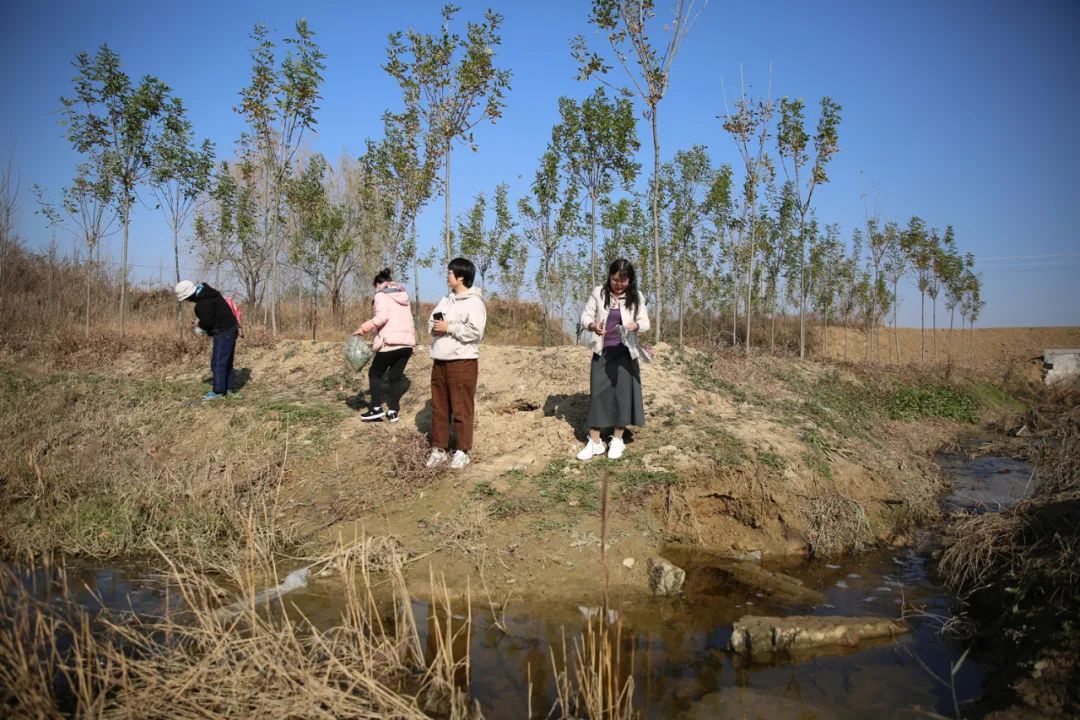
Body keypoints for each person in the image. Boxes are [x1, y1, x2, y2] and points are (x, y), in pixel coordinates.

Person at [576, 258, 651, 461]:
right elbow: (585, 316)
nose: (618, 284)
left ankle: (618, 439)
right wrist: (593, 326)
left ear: (630, 280)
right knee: (597, 395)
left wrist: (635, 326)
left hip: (626, 353)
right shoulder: (599, 293)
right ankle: (595, 442)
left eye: (623, 280)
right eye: (615, 279)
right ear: (609, 276)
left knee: (623, 396)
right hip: (603, 352)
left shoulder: (637, 297)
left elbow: (645, 322)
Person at [426, 257, 487, 470]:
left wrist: (449, 328)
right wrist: (434, 327)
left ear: (461, 277)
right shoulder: (445, 300)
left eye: (450, 273)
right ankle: (439, 449)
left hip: (462, 362)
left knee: (462, 408)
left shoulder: (474, 303)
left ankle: (462, 451)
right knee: (439, 407)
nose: (447, 276)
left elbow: (475, 332)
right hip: (439, 361)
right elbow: (431, 322)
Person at [353, 268, 417, 423]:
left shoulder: (381, 295)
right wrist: (412, 344)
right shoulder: (404, 296)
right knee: (395, 378)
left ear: (378, 284)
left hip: (390, 343)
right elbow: (409, 320)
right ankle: (393, 412)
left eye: (375, 287)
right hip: (406, 345)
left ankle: (376, 408)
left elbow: (382, 317)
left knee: (375, 374)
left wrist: (363, 328)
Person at [175, 280, 239, 401]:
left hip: (223, 332)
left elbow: (208, 323)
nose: (187, 301)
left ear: (189, 296)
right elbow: (213, 316)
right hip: (231, 329)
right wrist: (201, 322)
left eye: (186, 299)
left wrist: (199, 328)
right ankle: (229, 389)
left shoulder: (202, 304)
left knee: (217, 363)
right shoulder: (210, 294)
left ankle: (219, 392)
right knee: (226, 361)